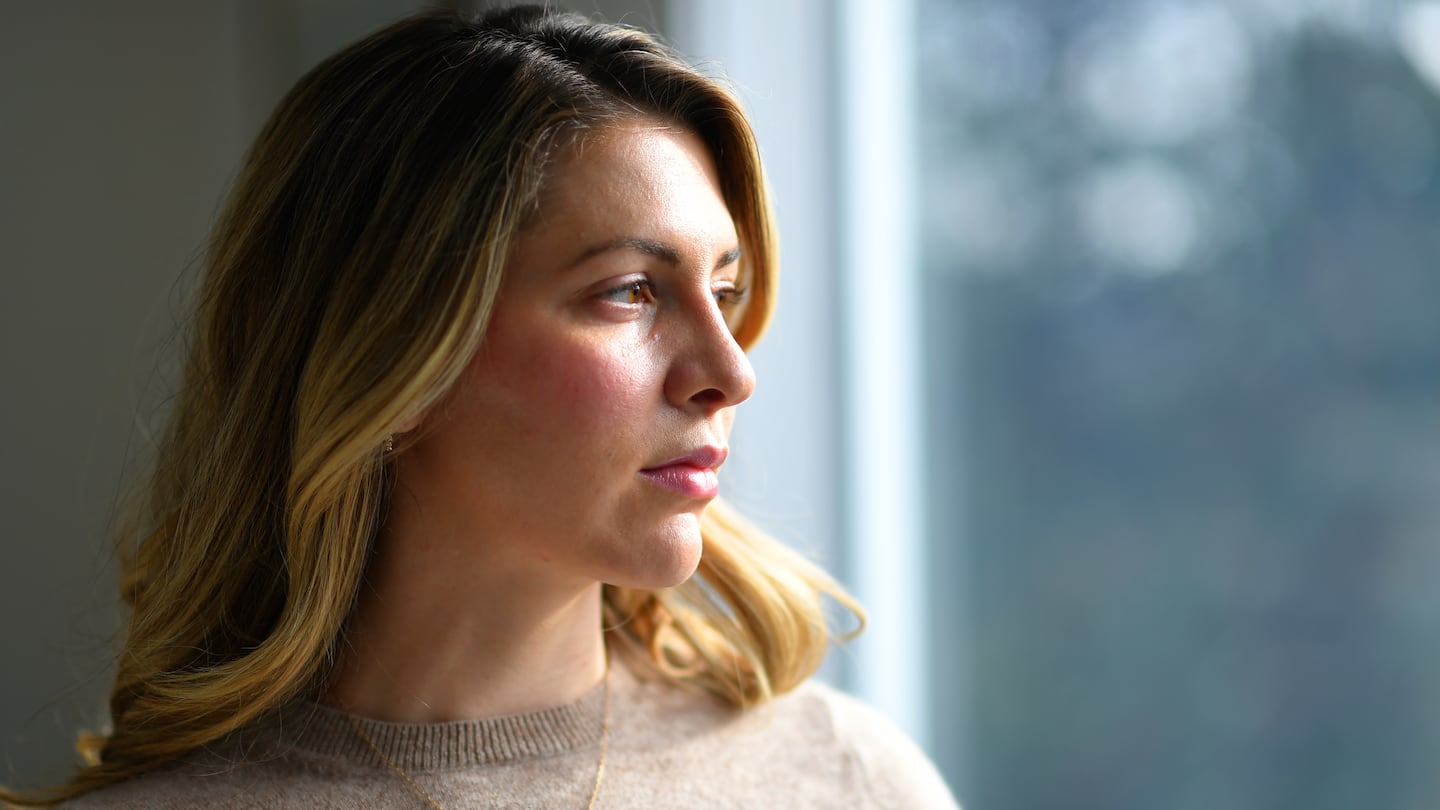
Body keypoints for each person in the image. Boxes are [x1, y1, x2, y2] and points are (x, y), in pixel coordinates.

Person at [1, 6, 959, 808]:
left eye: (727, 288)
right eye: (630, 291)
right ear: (400, 352)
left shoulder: (846, 781)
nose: (728, 371)